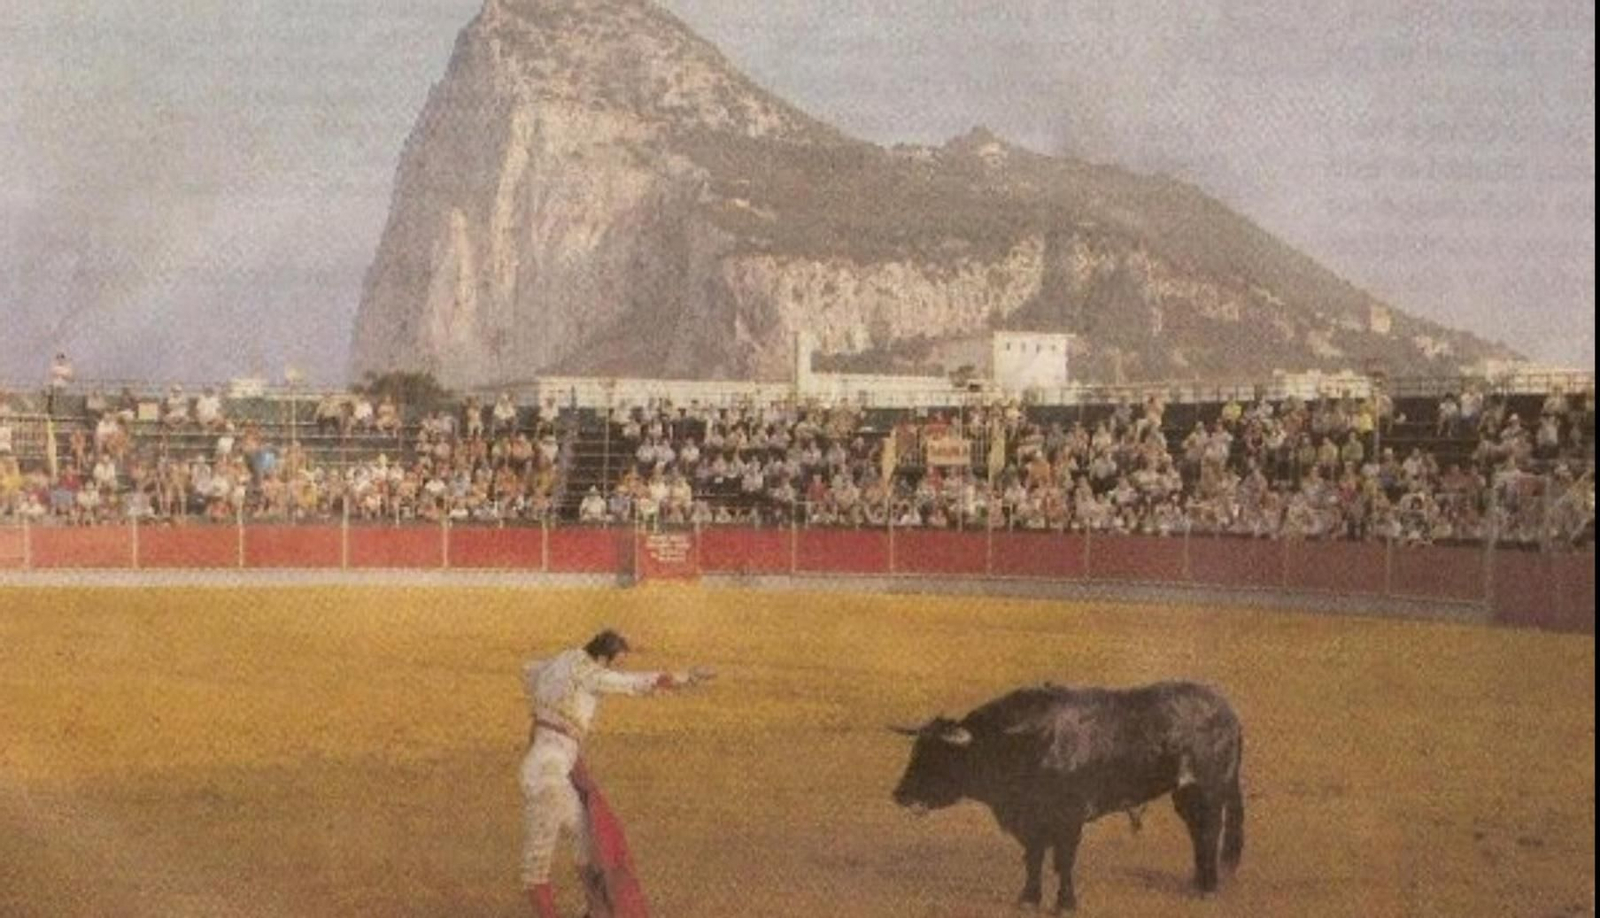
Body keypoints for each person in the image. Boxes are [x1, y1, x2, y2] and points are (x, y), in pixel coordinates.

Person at [519, 629, 714, 918]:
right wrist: (686, 678)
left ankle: (594, 911)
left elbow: (529, 671)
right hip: (547, 775)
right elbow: (633, 683)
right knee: (535, 867)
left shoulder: (560, 660)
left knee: (587, 838)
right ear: (601, 657)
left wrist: (543, 710)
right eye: (614, 662)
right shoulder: (592, 673)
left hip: (548, 765)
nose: (614, 669)